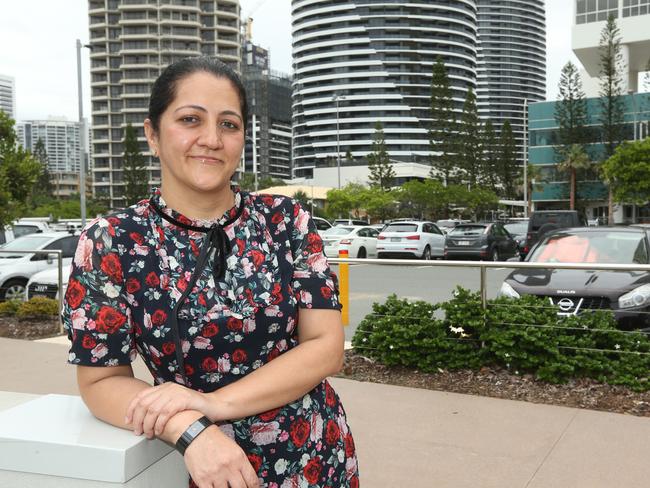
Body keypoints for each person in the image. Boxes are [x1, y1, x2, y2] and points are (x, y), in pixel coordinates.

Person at [63, 56, 359, 488]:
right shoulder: (111, 241)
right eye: (190, 119)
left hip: (315, 455)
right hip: (205, 466)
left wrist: (211, 403)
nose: (211, 139)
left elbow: (326, 347)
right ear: (152, 134)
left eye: (228, 124)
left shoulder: (286, 220)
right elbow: (101, 379)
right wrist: (191, 430)